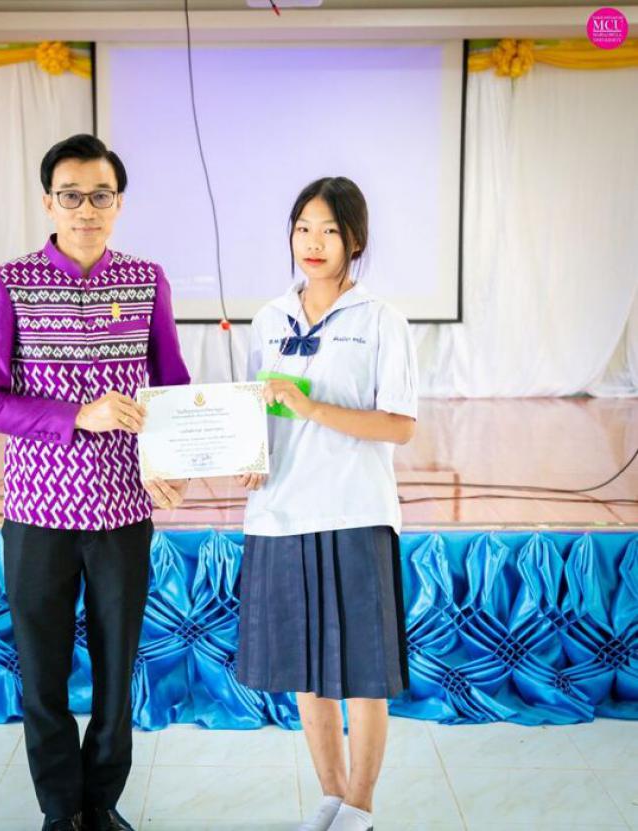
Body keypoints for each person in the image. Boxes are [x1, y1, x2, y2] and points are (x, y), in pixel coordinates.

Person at [0, 133, 190, 831]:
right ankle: (60, 810)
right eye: (71, 196)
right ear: (47, 203)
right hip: (39, 511)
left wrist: (174, 460)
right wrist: (77, 415)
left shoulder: (146, 280)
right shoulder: (8, 283)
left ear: (119, 203)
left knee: (118, 674)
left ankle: (103, 802)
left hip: (124, 508)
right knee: (44, 675)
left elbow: (172, 384)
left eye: (100, 196)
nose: (86, 209)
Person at [237, 176, 418, 831]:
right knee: (306, 673)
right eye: (302, 228)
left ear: (355, 240)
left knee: (364, 675)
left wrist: (313, 408)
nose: (312, 242)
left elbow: (399, 425)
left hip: (354, 512)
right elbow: (254, 412)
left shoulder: (380, 320)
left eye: (330, 231)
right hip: (280, 515)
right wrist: (247, 452)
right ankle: (331, 797)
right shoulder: (268, 319)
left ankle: (361, 805)